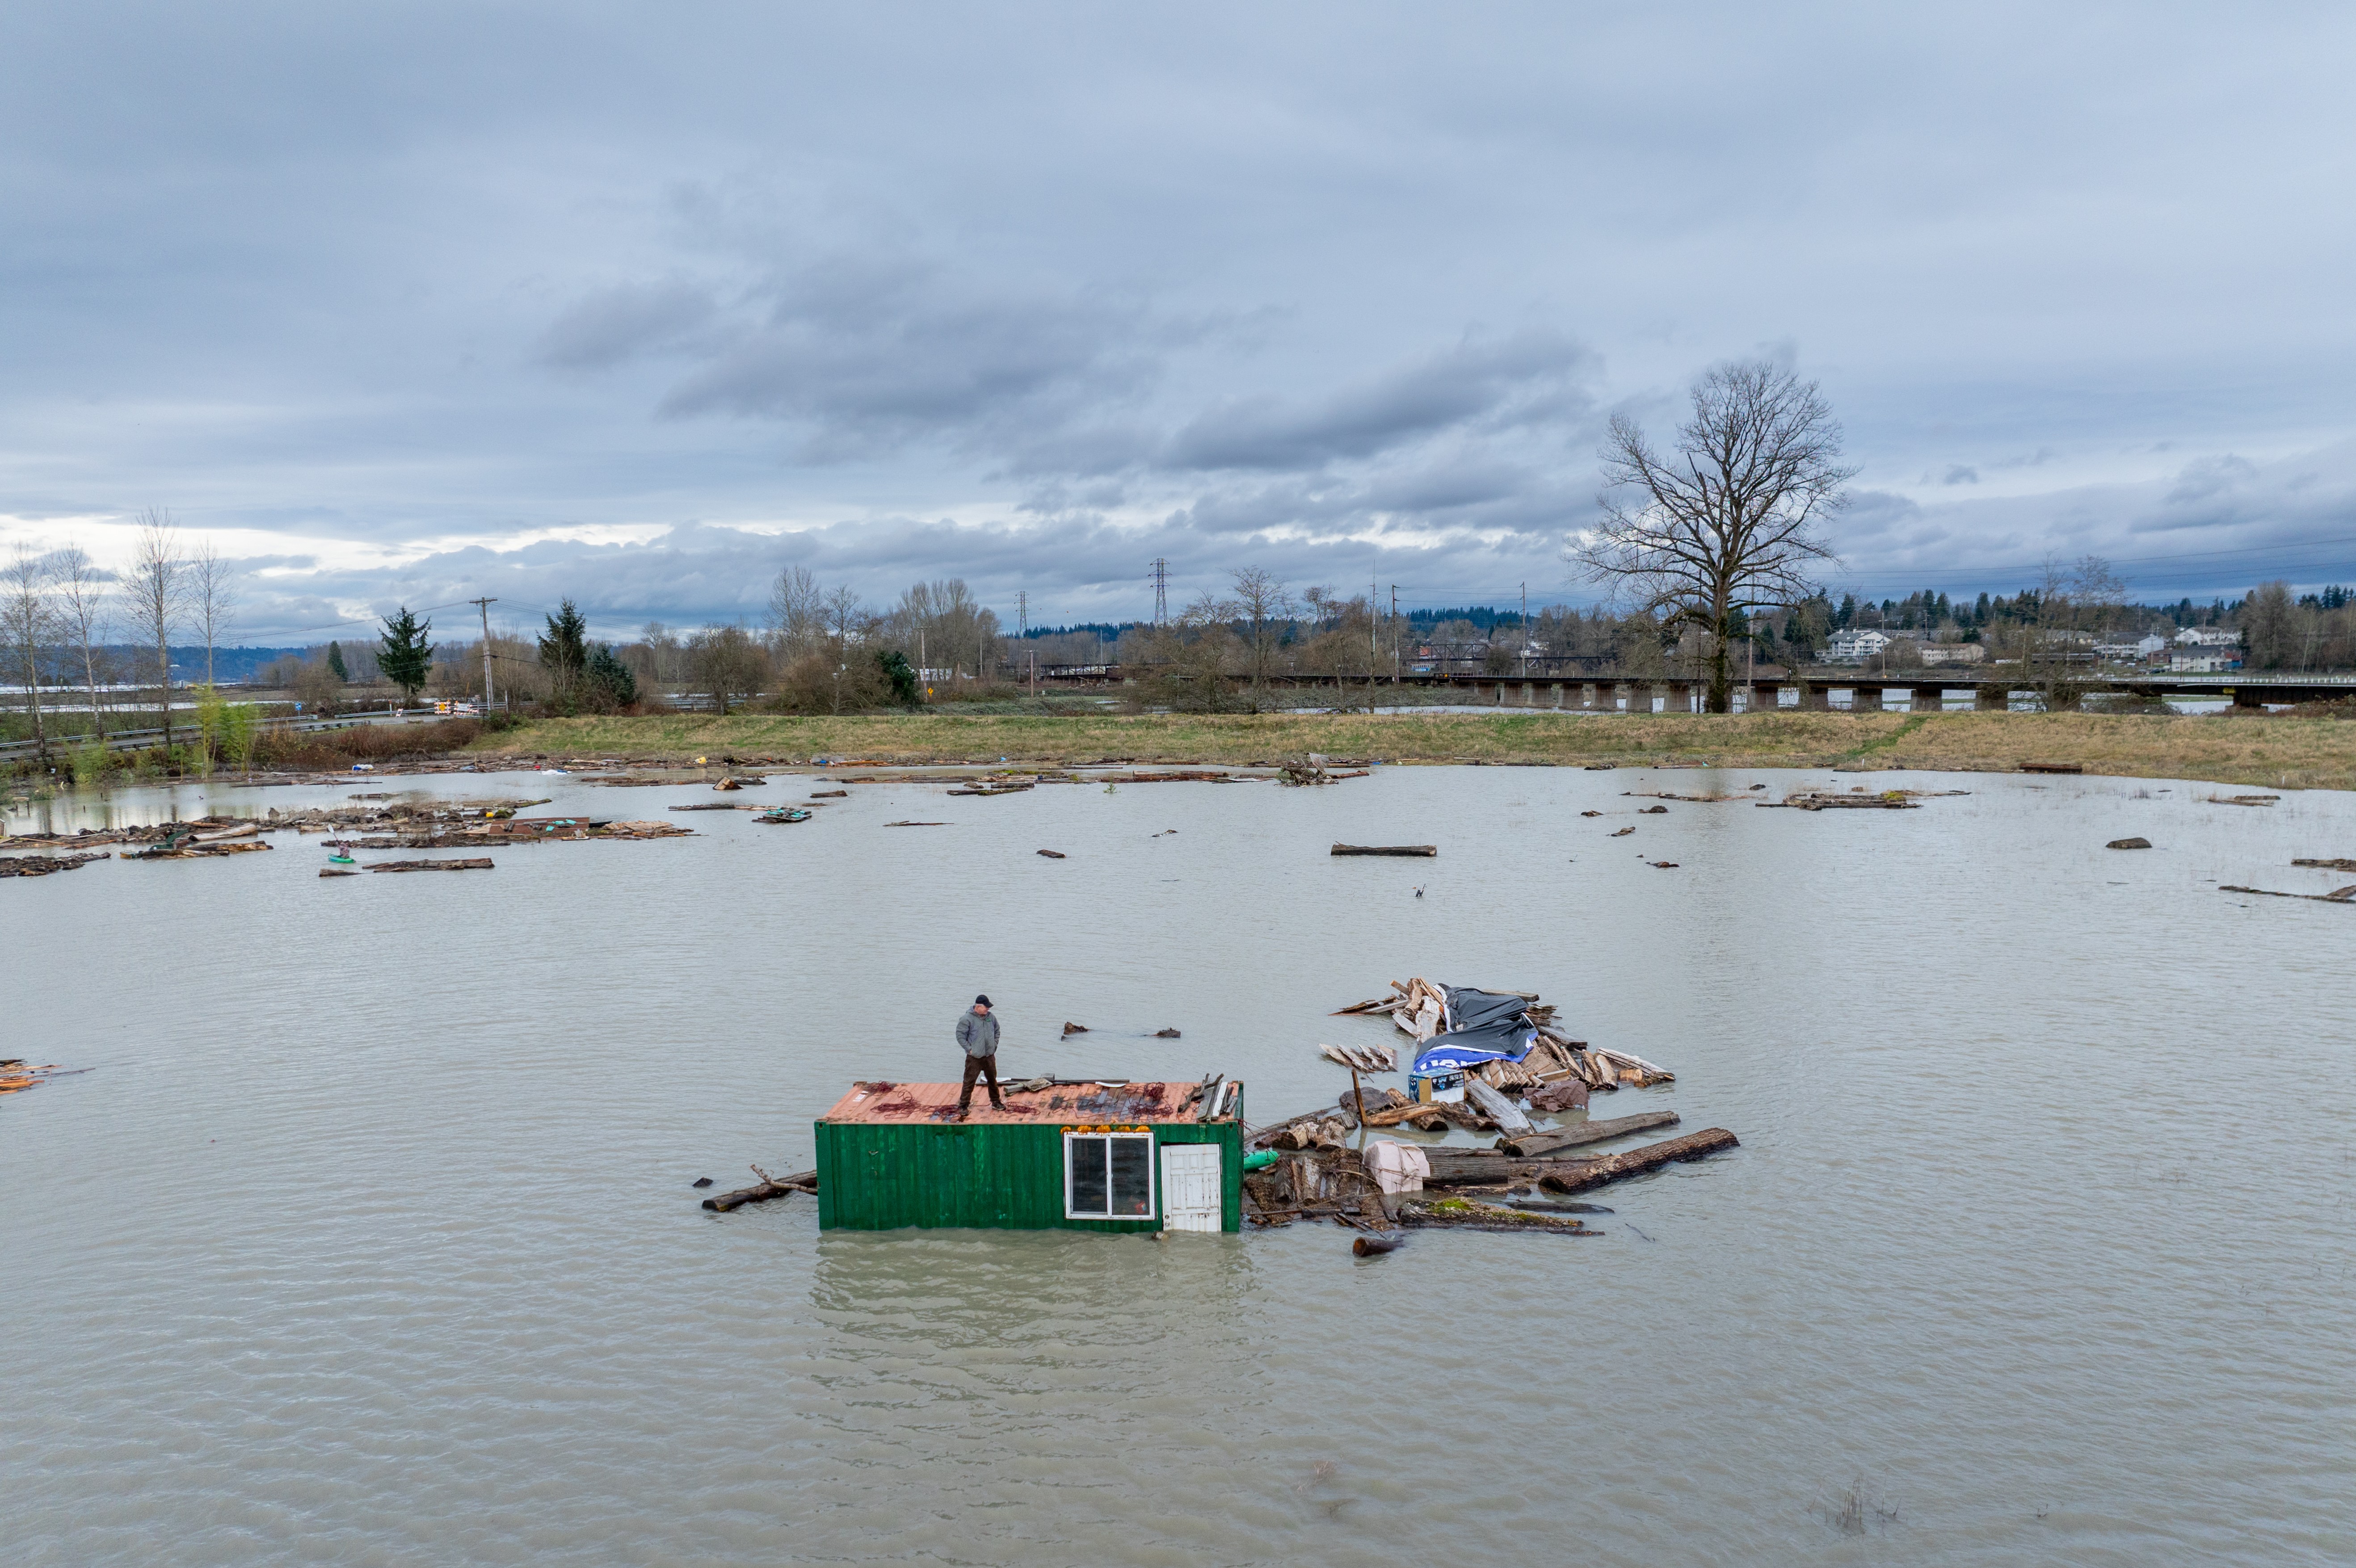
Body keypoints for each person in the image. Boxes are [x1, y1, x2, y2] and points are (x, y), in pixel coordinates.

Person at [955, 994, 1005, 1116]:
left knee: (993, 1080)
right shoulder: (967, 1019)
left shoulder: (991, 1018)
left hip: (989, 1057)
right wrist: (970, 1050)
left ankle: (996, 1102)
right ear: (978, 1007)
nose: (988, 1009)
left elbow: (997, 1031)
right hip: (974, 1058)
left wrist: (995, 1044)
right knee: (969, 1082)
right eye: (986, 1007)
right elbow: (960, 1036)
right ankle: (963, 1106)